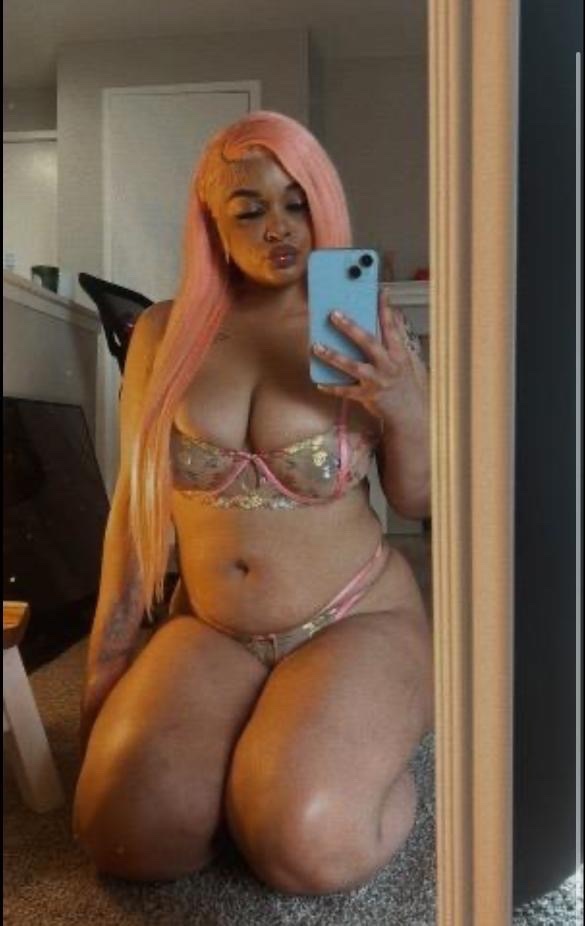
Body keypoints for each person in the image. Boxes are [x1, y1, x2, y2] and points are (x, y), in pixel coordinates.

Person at [73, 110, 433, 895]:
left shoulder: (362, 324)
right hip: (212, 627)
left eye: (296, 203)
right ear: (212, 221)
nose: (278, 226)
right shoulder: (162, 333)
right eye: (249, 209)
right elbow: (133, 515)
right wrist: (106, 668)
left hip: (353, 618)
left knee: (304, 847)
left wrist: (403, 401)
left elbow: (419, 498)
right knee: (125, 837)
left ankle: (348, 751)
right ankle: (263, 745)